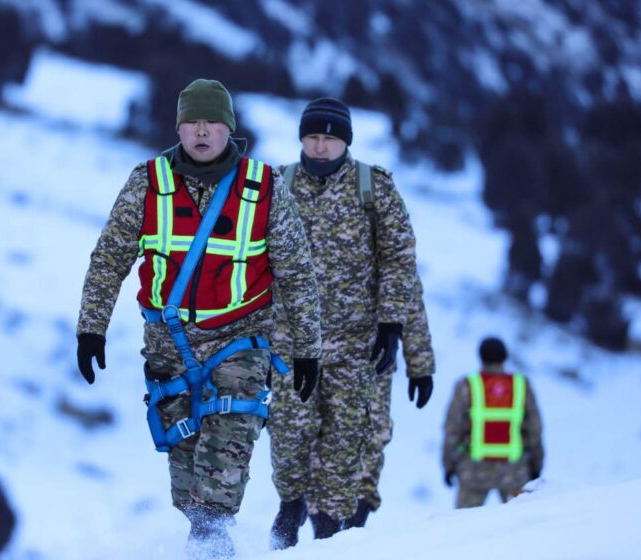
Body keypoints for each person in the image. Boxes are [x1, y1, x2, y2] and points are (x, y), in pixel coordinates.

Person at [75, 79, 322, 559]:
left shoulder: (264, 186)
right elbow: (108, 260)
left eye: (212, 122)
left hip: (241, 341)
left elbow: (296, 272)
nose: (202, 132)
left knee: (225, 451)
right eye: (192, 122)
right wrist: (91, 327)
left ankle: (210, 544)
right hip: (168, 346)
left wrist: (308, 348)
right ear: (179, 128)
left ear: (229, 128)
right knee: (186, 474)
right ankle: (206, 537)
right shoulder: (147, 183)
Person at [267, 97, 419, 548]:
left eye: (329, 139)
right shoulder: (277, 185)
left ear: (345, 143)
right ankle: (290, 502)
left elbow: (399, 257)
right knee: (289, 438)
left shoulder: (374, 187)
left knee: (343, 446)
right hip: (292, 344)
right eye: (312, 137)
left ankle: (330, 534)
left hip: (357, 348)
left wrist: (392, 324)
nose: (319, 147)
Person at [343, 275, 435, 529]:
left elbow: (409, 297)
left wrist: (421, 366)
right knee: (318, 441)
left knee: (372, 435)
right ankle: (320, 527)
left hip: (374, 357)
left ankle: (351, 528)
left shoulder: (386, 241)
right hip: (319, 357)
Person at [442, 336, 544, 508]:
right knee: (522, 525)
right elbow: (534, 428)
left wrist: (448, 465)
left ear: (480, 357)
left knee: (462, 528)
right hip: (515, 470)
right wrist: (536, 464)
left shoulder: (467, 385)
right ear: (505, 357)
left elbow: (452, 428)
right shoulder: (521, 385)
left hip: (473, 471)